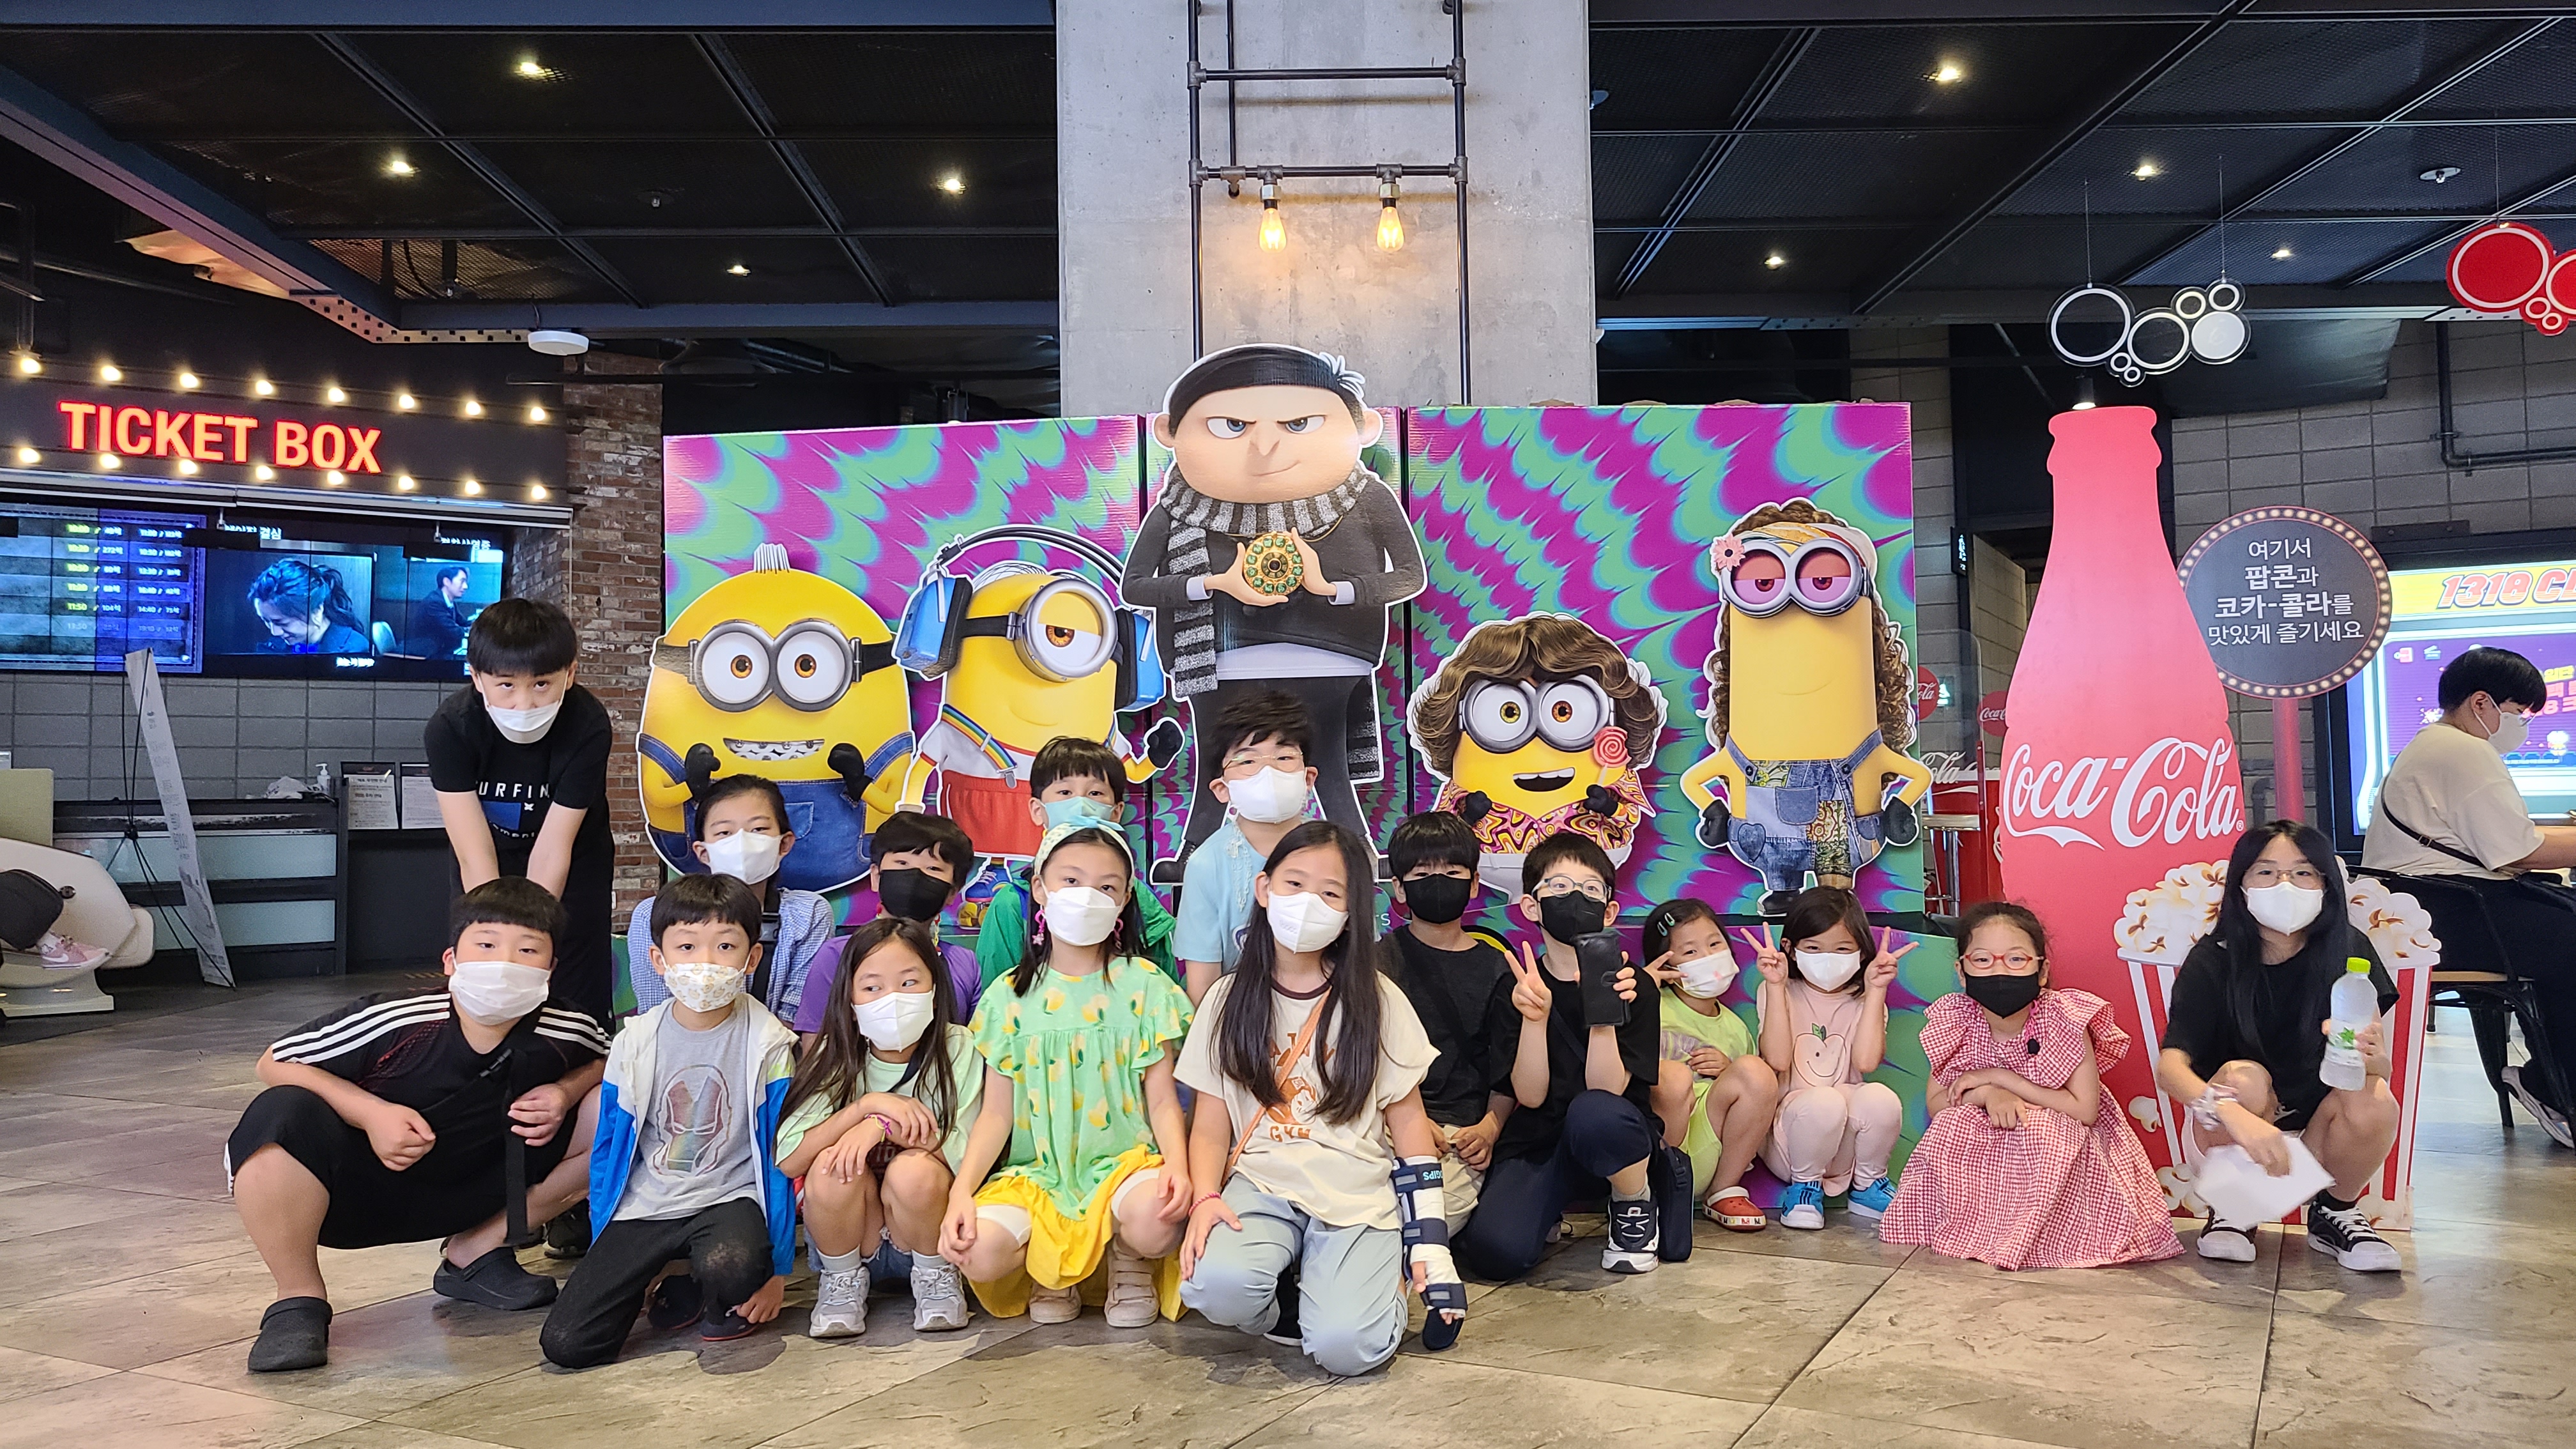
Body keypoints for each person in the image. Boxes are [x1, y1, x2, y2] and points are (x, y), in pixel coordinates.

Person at [224, 878, 608, 1372]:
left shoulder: (568, 1026)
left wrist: (566, 1092)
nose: (505, 964)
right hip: (364, 1194)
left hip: (485, 1187)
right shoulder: (394, 1017)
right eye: (487, 945)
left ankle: (477, 1251)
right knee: (279, 1114)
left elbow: (608, 1061)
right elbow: (275, 1061)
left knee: (617, 1107)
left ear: (551, 969)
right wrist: (372, 1113)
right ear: (451, 960)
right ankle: (298, 1300)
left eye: (527, 950)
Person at [1121, 344, 1426, 868]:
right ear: (1170, 433)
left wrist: (1332, 588)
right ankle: (1195, 855)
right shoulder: (1176, 507)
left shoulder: (1365, 497)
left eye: (1298, 423)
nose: (1264, 447)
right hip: (1217, 658)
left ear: (1364, 428)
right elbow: (1135, 586)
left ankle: (1355, 853)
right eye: (1232, 426)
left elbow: (1410, 575)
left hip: (1331, 652)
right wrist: (1214, 583)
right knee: (1217, 760)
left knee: (1326, 761)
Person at [1177, 821, 1464, 1371]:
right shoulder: (1226, 1000)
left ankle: (1376, 1284)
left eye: (1331, 893)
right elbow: (1210, 1125)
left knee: (1347, 1351)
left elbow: (1409, 1126)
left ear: (1351, 913)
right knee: (1216, 1287)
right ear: (1264, 889)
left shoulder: (1378, 1000)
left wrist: (1430, 1240)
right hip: (1263, 1184)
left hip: (1355, 1192)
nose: (1309, 902)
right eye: (1294, 884)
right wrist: (1206, 1199)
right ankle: (1291, 1296)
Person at [939, 820, 1195, 1327]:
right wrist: (961, 1191)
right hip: (1038, 1177)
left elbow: (1164, 1100)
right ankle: (1050, 1268)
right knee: (977, 1250)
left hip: (1126, 1168)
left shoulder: (1146, 986)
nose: (1088, 896)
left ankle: (1130, 1261)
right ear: (1040, 888)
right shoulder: (1007, 996)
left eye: (1107, 886)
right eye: (1071, 881)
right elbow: (996, 1114)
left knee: (1156, 1216)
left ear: (1125, 899)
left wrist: (1180, 1169)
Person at [539, 874, 799, 1367]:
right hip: (648, 1203)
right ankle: (674, 1274)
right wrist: (606, 1249)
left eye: (726, 946)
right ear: (659, 960)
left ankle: (704, 1284)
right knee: (569, 1344)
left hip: (729, 1198)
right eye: (687, 946)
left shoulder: (769, 1044)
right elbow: (609, 1151)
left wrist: (778, 1271)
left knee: (734, 1269)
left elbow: (778, 1155)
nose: (706, 961)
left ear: (752, 959)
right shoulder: (634, 1042)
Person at [1877, 901, 2182, 1269]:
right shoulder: (1957, 1019)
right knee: (1954, 1123)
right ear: (1962, 971)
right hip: (1987, 1154)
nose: (1999, 970)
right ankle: (1979, 1227)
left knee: (2041, 1129)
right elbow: (1938, 1103)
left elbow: (2085, 1110)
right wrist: (1987, 1094)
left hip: (2061, 1140)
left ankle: (2042, 1232)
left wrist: (2001, 1078)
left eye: (2016, 959)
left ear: (2041, 970)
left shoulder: (2064, 1017)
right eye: (1983, 960)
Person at [2159, 821, 2404, 1272]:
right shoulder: (2213, 958)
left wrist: (2374, 1057)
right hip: (2228, 1129)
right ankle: (2234, 1210)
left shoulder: (2349, 951)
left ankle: (2334, 1212)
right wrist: (2234, 1116)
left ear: (2326, 885)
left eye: (2303, 872)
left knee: (2375, 1099)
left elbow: (2379, 1068)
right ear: (2242, 885)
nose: (2285, 885)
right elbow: (2169, 1067)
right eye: (2266, 872)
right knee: (2244, 1079)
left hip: (2321, 1131)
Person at [1450, 832, 1694, 1281]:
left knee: (1594, 1112)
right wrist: (1535, 1019)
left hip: (1614, 1137)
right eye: (1559, 887)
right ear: (1531, 906)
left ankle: (1633, 1202)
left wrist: (1603, 1014)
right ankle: (1546, 1212)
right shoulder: (1517, 988)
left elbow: (1607, 1091)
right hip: (1542, 1142)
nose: (1575, 898)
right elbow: (1529, 1095)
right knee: (1495, 1253)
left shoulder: (1634, 985)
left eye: (1590, 889)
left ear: (1609, 910)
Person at [2361, 645, 2576, 1145]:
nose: (2523, 725)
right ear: (2481, 703)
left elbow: (2510, 841)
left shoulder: (2437, 745)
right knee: (2568, 939)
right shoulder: (2464, 751)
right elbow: (2520, 851)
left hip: (2427, 905)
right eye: (2519, 712)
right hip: (2445, 912)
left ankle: (2553, 1084)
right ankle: (2551, 1088)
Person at [776, 918, 983, 1337]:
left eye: (909, 982)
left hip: (931, 1236)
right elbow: (790, 1159)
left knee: (915, 1170)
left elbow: (963, 1151)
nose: (892, 998)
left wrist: (881, 1128)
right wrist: (865, 1109)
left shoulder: (959, 1046)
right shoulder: (836, 1054)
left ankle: (936, 1279)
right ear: (849, 998)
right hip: (853, 1239)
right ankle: (841, 1283)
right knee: (829, 1167)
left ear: (935, 987)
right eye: (872, 987)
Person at [425, 598, 617, 1023]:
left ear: (570, 674)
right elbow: (473, 851)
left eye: (542, 684)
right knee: (487, 959)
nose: (525, 704)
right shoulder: (451, 728)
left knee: (568, 970)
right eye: (506, 685)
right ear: (477, 678)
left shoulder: (588, 725)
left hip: (574, 859)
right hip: (487, 854)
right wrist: (499, 940)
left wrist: (532, 937)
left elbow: (554, 848)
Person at [1377, 811, 1517, 1232]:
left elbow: (1506, 1068)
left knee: (1434, 1218)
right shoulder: (1375, 962)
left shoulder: (1499, 968)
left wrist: (1490, 1128)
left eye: (1453, 872)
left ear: (1474, 883)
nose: (1439, 881)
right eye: (1422, 874)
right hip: (1385, 1122)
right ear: (1399, 888)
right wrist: (1409, 1120)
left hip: (1460, 1134)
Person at [1743, 886, 1909, 1230]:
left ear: (1861, 952)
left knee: (1881, 1098)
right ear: (1791, 949)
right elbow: (1777, 1060)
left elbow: (1866, 1063)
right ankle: (1804, 1189)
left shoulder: (1864, 999)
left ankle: (1868, 1186)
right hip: (1789, 1142)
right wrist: (1774, 986)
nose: (1828, 958)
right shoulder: (1780, 991)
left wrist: (1876, 991)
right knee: (1824, 1101)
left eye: (1843, 949)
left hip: (1844, 1145)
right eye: (1814, 948)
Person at [627, 773, 831, 1023]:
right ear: (703, 852)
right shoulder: (652, 914)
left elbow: (797, 1019)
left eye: (758, 829)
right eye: (724, 832)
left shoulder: (809, 914)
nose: (742, 841)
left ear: (784, 843)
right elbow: (656, 1015)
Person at [975, 736, 1179, 984]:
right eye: (1065, 792)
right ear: (1038, 810)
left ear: (1116, 812)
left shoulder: (1138, 897)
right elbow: (996, 993)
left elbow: (1165, 985)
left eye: (1095, 793)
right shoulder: (1013, 903)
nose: (1081, 803)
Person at [1640, 898, 1779, 1231]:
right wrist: (1643, 991)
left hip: (1706, 1147)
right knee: (1672, 1077)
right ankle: (1652, 1194)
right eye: (1690, 951)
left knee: (1755, 1071)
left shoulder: (1735, 1029)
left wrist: (1729, 1069)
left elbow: (1751, 1099)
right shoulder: (1649, 1007)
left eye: (1715, 944)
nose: (1707, 957)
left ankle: (1723, 1191)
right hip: (1650, 1153)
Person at [1175, 689, 1321, 1004]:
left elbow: (1360, 959)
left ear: (1308, 778)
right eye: (1248, 760)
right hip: (1241, 1023)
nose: (1268, 771)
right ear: (1222, 788)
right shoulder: (1206, 866)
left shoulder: (1335, 856)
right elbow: (1202, 989)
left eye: (1284, 757)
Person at [792, 810, 983, 1043]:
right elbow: (816, 1047)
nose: (915, 876)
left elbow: (972, 1048)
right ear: (876, 876)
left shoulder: (965, 964)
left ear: (953, 892)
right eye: (902, 863)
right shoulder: (836, 955)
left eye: (933, 869)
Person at [248, 556, 370, 655]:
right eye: (266, 621)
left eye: (283, 623)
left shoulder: (354, 649)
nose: (275, 632)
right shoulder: (274, 646)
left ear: (317, 611)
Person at [413, 564, 473, 657]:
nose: (466, 587)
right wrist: (471, 631)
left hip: (440, 650)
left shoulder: (449, 601)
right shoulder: (433, 602)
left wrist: (482, 623)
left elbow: (463, 623)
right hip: (428, 654)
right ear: (447, 582)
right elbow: (454, 631)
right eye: (462, 581)